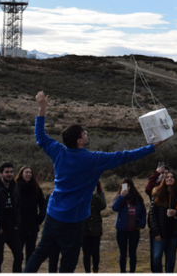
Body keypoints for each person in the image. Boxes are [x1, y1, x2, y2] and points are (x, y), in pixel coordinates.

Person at [24, 91, 161, 273]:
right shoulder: (93, 159)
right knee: (68, 261)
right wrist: (153, 146)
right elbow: (124, 156)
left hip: (52, 215)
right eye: (85, 133)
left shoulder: (58, 151)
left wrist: (42, 108)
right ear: (80, 141)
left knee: (40, 252)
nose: (87, 134)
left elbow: (40, 136)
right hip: (74, 221)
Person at [149, 171, 177, 273]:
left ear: (175, 180)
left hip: (174, 232)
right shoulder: (157, 194)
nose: (169, 178)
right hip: (160, 232)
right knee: (157, 257)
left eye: (172, 177)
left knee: (171, 258)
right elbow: (152, 215)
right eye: (167, 177)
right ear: (164, 180)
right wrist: (156, 232)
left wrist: (176, 213)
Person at [0, 161, 24, 273]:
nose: (9, 174)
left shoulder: (15, 187)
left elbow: (18, 207)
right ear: (0, 174)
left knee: (19, 255)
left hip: (12, 228)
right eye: (6, 172)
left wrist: (17, 224)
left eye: (11, 172)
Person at [113, 178, 146, 273]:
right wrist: (121, 196)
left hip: (134, 230)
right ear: (121, 187)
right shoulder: (119, 197)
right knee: (123, 254)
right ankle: (122, 272)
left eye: (128, 185)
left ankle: (132, 272)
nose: (127, 187)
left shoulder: (137, 198)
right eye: (124, 185)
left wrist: (142, 224)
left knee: (132, 253)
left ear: (131, 187)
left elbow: (143, 212)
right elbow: (114, 208)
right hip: (121, 230)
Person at [16, 166, 47, 268]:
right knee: (18, 255)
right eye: (26, 172)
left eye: (30, 172)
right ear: (21, 174)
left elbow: (44, 206)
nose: (28, 174)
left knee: (31, 254)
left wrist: (39, 220)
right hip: (19, 227)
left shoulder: (36, 188)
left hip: (32, 227)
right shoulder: (15, 188)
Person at [146, 163, 170, 273]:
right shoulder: (155, 190)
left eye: (166, 174)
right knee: (155, 257)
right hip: (156, 228)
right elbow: (148, 189)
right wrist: (156, 174)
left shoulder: (173, 189)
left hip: (169, 228)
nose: (164, 176)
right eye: (162, 174)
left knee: (169, 257)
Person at [81, 181, 106, 273]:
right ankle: (87, 272)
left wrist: (96, 195)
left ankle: (95, 270)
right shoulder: (83, 192)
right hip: (85, 227)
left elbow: (103, 206)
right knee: (86, 253)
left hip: (96, 228)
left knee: (95, 252)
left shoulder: (100, 193)